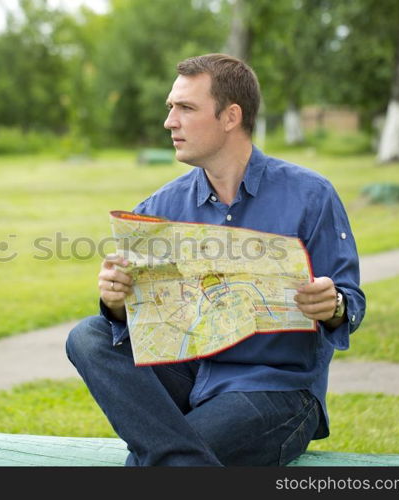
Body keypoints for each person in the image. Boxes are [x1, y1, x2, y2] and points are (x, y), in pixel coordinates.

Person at [65, 53, 366, 466]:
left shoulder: (311, 195)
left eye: (186, 108)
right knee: (89, 336)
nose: (170, 121)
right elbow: (142, 323)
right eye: (171, 108)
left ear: (230, 117)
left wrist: (333, 304)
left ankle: (161, 456)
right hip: (190, 378)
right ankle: (172, 456)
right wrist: (118, 305)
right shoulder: (158, 209)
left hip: (277, 389)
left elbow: (351, 303)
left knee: (157, 460)